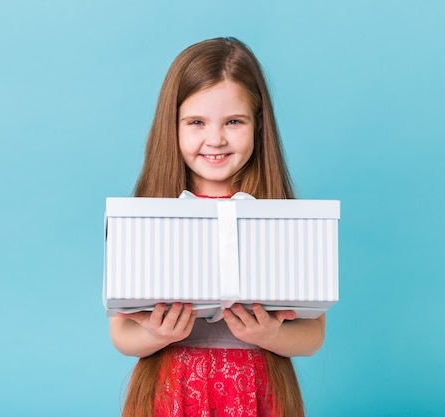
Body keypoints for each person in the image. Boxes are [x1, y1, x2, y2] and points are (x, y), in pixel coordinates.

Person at [109, 37, 325, 417]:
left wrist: (271, 335)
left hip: (258, 386)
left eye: (234, 122)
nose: (216, 139)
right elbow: (121, 334)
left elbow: (313, 334)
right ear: (171, 125)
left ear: (258, 126)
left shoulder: (282, 217)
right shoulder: (145, 217)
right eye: (196, 122)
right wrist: (156, 334)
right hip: (171, 386)